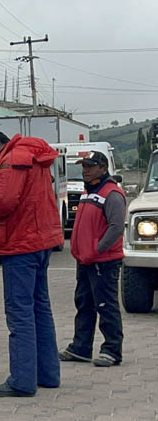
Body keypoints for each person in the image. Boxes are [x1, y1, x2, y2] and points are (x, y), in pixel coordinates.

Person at [0, 129, 63, 397]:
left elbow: (4, 201)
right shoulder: (35, 156)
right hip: (42, 240)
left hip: (20, 243)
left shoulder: (12, 159)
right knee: (40, 308)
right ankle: (48, 374)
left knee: (19, 311)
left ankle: (22, 381)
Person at [60, 151, 125, 367]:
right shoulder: (89, 192)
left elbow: (116, 228)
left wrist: (97, 249)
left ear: (103, 168)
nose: (85, 170)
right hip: (86, 260)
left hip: (103, 261)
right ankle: (81, 348)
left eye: (90, 165)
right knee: (84, 304)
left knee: (106, 305)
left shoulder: (112, 194)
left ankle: (112, 350)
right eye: (83, 166)